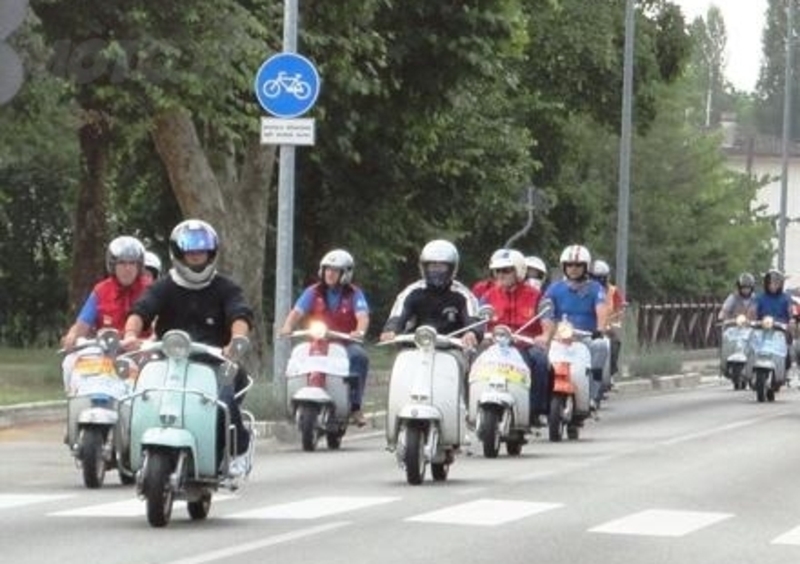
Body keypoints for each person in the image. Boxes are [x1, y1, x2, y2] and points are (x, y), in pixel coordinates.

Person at [121, 219, 255, 478]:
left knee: (224, 399)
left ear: (211, 252)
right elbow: (142, 309)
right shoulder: (164, 286)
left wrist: (236, 341)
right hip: (168, 361)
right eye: (190, 250)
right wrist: (130, 334)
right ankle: (129, 448)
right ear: (178, 252)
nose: (196, 255)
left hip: (215, 361)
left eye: (201, 250)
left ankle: (237, 449)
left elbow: (240, 313)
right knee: (140, 394)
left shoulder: (225, 287)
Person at [279, 248, 371, 427]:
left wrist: (359, 331)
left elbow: (363, 316)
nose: (329, 273)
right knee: (297, 357)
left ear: (346, 273)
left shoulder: (354, 293)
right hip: (318, 341)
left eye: (335, 270)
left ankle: (355, 407)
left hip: (344, 343)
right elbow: (297, 312)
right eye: (327, 269)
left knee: (359, 357)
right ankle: (291, 399)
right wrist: (287, 326)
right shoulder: (313, 291)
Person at [60, 236, 151, 392]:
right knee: (69, 362)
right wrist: (72, 336)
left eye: (132, 263)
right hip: (105, 353)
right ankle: (75, 399)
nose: (127, 268)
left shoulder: (151, 290)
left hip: (141, 354)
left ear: (139, 266)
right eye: (122, 263)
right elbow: (82, 324)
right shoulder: (101, 290)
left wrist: (143, 343)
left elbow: (161, 328)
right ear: (112, 265)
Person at [479, 248, 551, 426]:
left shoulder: (536, 296)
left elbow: (547, 319)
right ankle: (472, 406)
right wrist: (477, 335)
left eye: (506, 270)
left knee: (541, 360)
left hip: (524, 345)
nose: (500, 274)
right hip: (494, 345)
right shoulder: (487, 296)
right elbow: (478, 320)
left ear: (519, 271)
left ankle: (535, 411)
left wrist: (544, 336)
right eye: (497, 270)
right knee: (470, 358)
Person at [540, 244, 609, 409]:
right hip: (559, 338)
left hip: (585, 337)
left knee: (601, 346)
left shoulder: (596, 288)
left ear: (586, 267)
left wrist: (600, 329)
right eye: (569, 265)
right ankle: (541, 399)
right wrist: (546, 332)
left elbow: (601, 308)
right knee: (539, 356)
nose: (573, 269)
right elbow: (546, 310)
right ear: (564, 266)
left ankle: (593, 394)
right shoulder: (554, 288)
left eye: (578, 265)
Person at [590, 259, 626, 377]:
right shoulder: (583, 290)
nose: (596, 281)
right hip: (586, 327)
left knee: (615, 342)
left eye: (600, 278)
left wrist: (616, 320)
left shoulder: (612, 291)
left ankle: (610, 372)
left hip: (606, 327)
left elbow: (619, 308)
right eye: (593, 278)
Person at [755, 269, 793, 370]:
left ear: (780, 285)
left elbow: (790, 313)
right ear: (766, 284)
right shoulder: (760, 298)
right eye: (770, 283)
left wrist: (791, 321)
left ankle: (785, 366)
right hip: (762, 328)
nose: (773, 286)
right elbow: (753, 311)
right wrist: (749, 319)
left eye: (776, 283)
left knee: (788, 350)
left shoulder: (786, 298)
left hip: (780, 330)